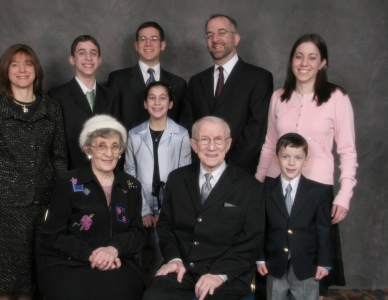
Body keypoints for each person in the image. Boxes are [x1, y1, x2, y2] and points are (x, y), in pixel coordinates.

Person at [255, 33, 358, 297]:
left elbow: (347, 151)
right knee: (275, 258)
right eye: (299, 56)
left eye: (312, 57)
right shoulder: (279, 97)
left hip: (316, 193)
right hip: (277, 190)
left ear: (323, 62)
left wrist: (345, 195)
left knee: (310, 265)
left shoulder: (337, 98)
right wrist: (257, 186)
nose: (304, 62)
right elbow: (269, 144)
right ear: (291, 61)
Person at [0, 44, 67, 300]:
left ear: (36, 70)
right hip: (5, 208)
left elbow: (59, 158)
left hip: (42, 206)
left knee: (33, 277)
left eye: (28, 63)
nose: (22, 69)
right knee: (7, 279)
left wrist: (64, 202)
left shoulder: (51, 108)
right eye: (15, 64)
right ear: (5, 71)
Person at [143, 116, 265, 300]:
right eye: (204, 139)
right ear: (193, 144)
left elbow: (251, 242)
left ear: (228, 144)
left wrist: (219, 274)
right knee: (153, 296)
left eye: (218, 139)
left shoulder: (250, 188)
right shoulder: (176, 179)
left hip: (227, 276)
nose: (211, 147)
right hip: (182, 270)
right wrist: (174, 259)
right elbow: (166, 227)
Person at [38, 115, 146, 300]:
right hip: (68, 261)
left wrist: (112, 250)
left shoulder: (131, 185)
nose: (109, 153)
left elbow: (137, 232)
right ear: (88, 149)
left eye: (115, 146)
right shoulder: (68, 182)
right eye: (101, 145)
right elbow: (53, 235)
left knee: (119, 293)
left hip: (118, 260)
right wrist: (90, 255)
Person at [180, 14, 273, 175]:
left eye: (221, 32)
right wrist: (205, 162)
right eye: (210, 35)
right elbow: (187, 126)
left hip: (239, 174)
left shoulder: (259, 78)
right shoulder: (196, 81)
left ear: (236, 39)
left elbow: (256, 132)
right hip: (200, 172)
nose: (215, 39)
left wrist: (222, 169)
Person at [124, 81, 191, 281]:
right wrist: (144, 210)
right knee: (138, 258)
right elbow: (130, 172)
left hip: (170, 206)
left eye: (163, 98)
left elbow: (182, 177)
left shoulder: (181, 135)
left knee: (165, 257)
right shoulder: (134, 134)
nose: (157, 102)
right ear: (145, 103)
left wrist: (165, 213)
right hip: (140, 202)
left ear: (170, 103)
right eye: (152, 98)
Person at [256, 133, 332, 300]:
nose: (291, 163)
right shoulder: (263, 190)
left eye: (298, 157)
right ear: (276, 159)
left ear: (306, 161)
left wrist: (323, 262)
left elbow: (324, 230)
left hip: (307, 264)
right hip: (273, 263)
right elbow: (259, 228)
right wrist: (260, 258)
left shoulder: (318, 192)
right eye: (285, 157)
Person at [49, 35, 119, 170]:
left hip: (106, 176)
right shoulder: (58, 96)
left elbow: (117, 141)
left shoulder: (111, 96)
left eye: (93, 53)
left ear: (99, 60)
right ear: (72, 59)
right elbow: (54, 146)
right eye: (82, 53)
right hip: (72, 175)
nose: (88, 58)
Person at [107, 21, 187, 131]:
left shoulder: (178, 84)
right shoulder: (118, 79)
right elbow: (110, 122)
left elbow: (181, 125)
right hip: (128, 147)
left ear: (162, 45)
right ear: (136, 45)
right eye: (143, 39)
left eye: (154, 39)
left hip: (167, 147)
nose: (148, 43)